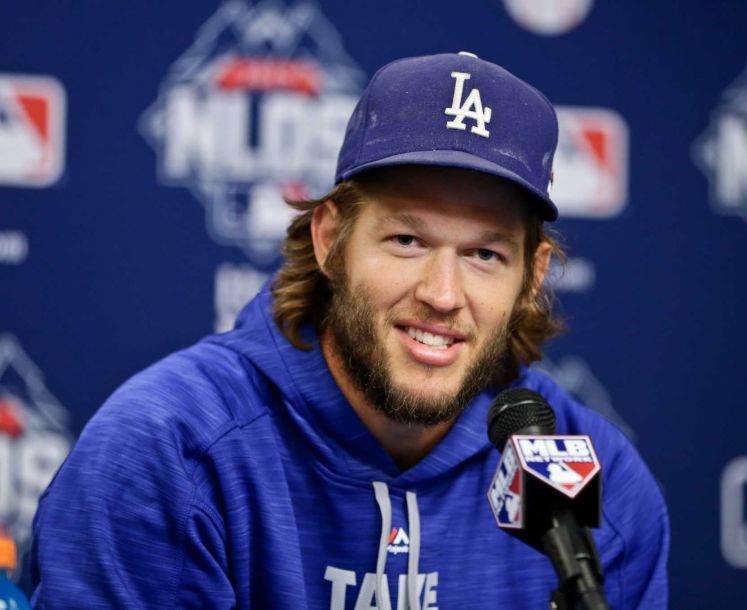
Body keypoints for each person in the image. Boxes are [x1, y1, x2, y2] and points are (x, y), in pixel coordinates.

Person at [30, 52, 668, 609]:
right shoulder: (168, 451)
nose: (443, 296)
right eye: (407, 239)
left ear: (532, 275)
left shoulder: (601, 480)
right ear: (331, 238)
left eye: (485, 255)